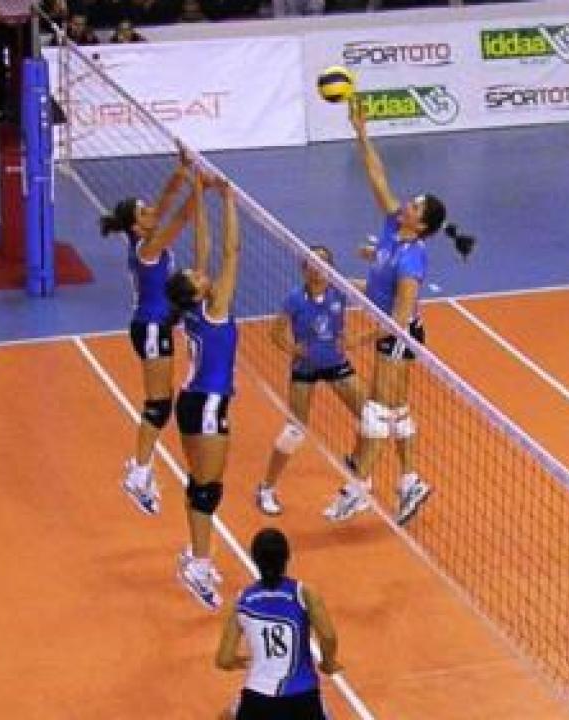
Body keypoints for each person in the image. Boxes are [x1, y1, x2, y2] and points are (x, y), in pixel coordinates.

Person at [323, 97, 475, 527]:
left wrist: (358, 338)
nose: (407, 204)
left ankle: (357, 490)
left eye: (415, 206)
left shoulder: (412, 261)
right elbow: (377, 177)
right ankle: (410, 481)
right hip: (389, 331)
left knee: (376, 413)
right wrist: (361, 133)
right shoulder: (394, 228)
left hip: (397, 336)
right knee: (398, 410)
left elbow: (400, 319)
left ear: (420, 224)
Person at [101, 144, 196, 516]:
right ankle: (138, 474)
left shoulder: (142, 236)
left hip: (156, 326)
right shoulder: (147, 248)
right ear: (135, 225)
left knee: (160, 402)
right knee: (158, 405)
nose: (151, 213)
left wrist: (182, 171)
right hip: (152, 328)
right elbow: (181, 218)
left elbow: (165, 203)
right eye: (144, 212)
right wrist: (202, 189)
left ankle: (140, 468)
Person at [166, 173, 239, 610]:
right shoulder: (214, 311)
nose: (201, 272)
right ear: (196, 292)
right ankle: (198, 563)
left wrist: (199, 188)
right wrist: (229, 200)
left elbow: (204, 246)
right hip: (208, 404)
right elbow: (230, 252)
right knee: (208, 489)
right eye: (196, 275)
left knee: (200, 485)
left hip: (193, 401)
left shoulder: (194, 310)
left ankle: (196, 558)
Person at [256, 246, 366, 516]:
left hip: (336, 364)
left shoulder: (341, 289)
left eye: (323, 263)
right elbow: (275, 334)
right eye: (311, 263)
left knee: (370, 418)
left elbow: (375, 287)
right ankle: (266, 488)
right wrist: (294, 350)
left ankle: (358, 469)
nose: (317, 268)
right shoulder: (294, 299)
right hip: (305, 368)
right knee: (294, 431)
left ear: (331, 268)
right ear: (304, 270)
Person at [215, 527, 340, 720]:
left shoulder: (242, 600)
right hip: (302, 697)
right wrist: (328, 663)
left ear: (254, 559)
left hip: (257, 700)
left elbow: (224, 660)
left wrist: (244, 662)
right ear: (287, 557)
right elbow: (328, 637)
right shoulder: (303, 593)